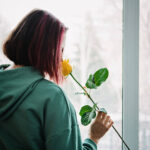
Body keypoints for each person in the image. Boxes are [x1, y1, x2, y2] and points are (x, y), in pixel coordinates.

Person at [0, 9, 113, 150]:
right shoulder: (53, 97)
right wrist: (93, 138)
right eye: (61, 50)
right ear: (46, 50)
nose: (61, 58)